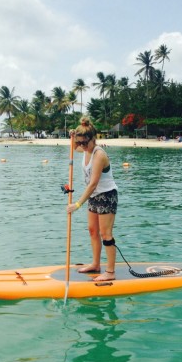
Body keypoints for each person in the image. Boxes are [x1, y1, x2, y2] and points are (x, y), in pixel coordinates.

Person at [67, 116, 118, 281]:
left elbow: (93, 184)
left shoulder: (99, 155)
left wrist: (77, 204)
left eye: (85, 143)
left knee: (105, 234)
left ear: (93, 139)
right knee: (92, 231)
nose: (81, 146)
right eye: (80, 143)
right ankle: (96, 264)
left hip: (106, 196)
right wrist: (72, 136)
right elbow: (75, 148)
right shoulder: (85, 148)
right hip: (94, 197)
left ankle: (110, 272)